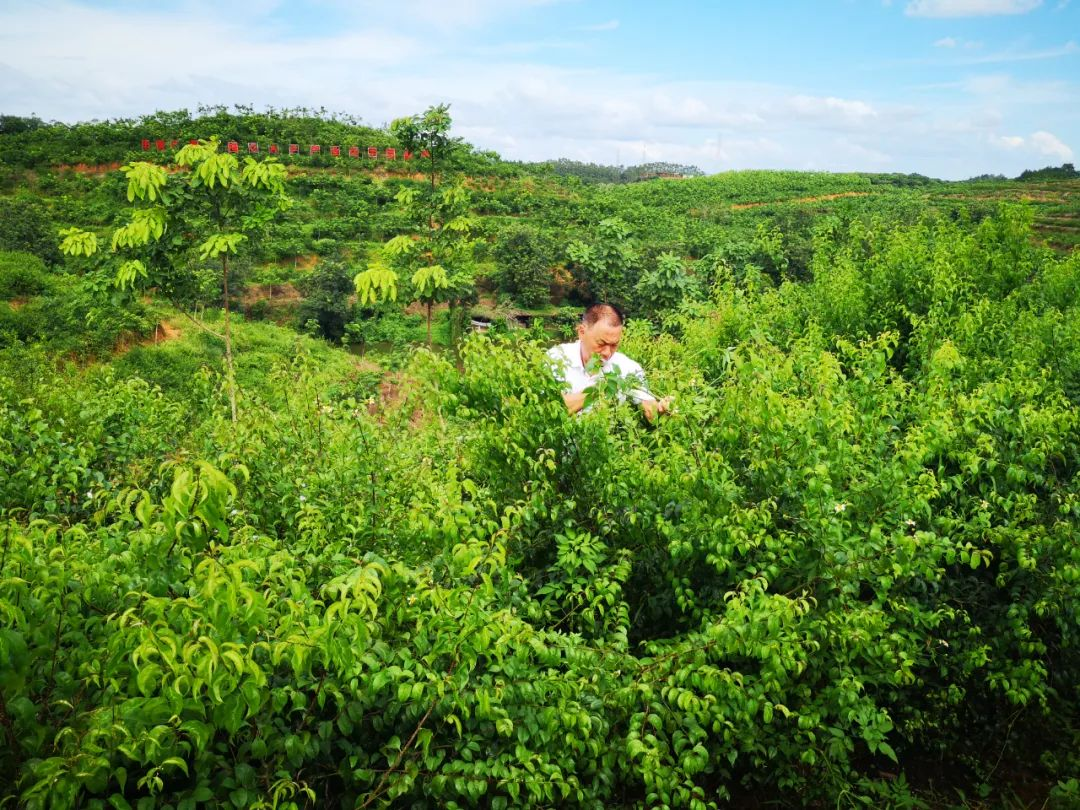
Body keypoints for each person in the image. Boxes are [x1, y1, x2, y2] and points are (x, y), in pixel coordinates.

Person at [547, 304, 673, 420]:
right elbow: (547, 411)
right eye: (601, 343)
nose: (607, 352)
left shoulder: (628, 368)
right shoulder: (555, 358)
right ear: (581, 332)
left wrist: (660, 409)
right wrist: (601, 388)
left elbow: (648, 408)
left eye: (614, 345)